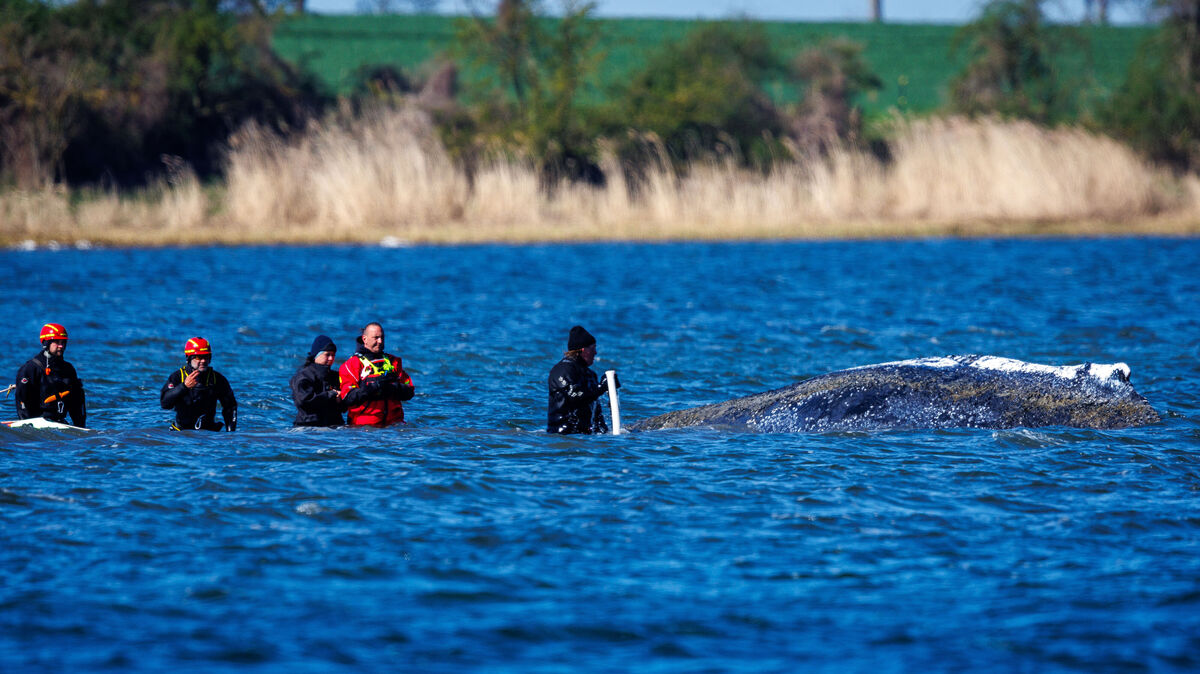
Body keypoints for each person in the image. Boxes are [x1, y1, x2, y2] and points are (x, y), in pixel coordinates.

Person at [338, 322, 414, 427]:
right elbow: (347, 397)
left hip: (394, 427)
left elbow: (410, 391)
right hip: (363, 429)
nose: (380, 341)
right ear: (364, 339)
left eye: (382, 337)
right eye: (376, 338)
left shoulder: (393, 361)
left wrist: (394, 387)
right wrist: (373, 387)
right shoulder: (351, 365)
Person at [547, 325, 617, 434]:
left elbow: (596, 413)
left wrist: (611, 388)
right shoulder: (562, 370)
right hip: (563, 435)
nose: (596, 352)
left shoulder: (590, 374)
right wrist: (601, 388)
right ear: (584, 350)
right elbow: (575, 396)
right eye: (593, 348)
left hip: (585, 437)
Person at [14, 323, 87, 427]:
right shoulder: (30, 369)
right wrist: (28, 426)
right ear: (46, 343)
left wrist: (80, 428)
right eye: (57, 342)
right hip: (37, 423)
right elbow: (22, 400)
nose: (61, 346)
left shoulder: (68, 369)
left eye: (63, 342)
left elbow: (77, 402)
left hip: (60, 423)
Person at [160, 337, 237, 431]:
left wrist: (230, 434)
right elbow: (165, 404)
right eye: (198, 357)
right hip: (181, 433)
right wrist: (184, 386)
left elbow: (230, 406)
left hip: (208, 433)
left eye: (206, 357)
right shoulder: (178, 377)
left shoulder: (217, 379)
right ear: (189, 358)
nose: (203, 361)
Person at [290, 335, 344, 428]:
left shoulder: (336, 376)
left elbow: (344, 407)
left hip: (334, 427)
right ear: (316, 355)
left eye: (333, 355)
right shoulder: (303, 376)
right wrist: (330, 395)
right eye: (327, 355)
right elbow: (304, 401)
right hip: (308, 426)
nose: (331, 358)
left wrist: (342, 399)